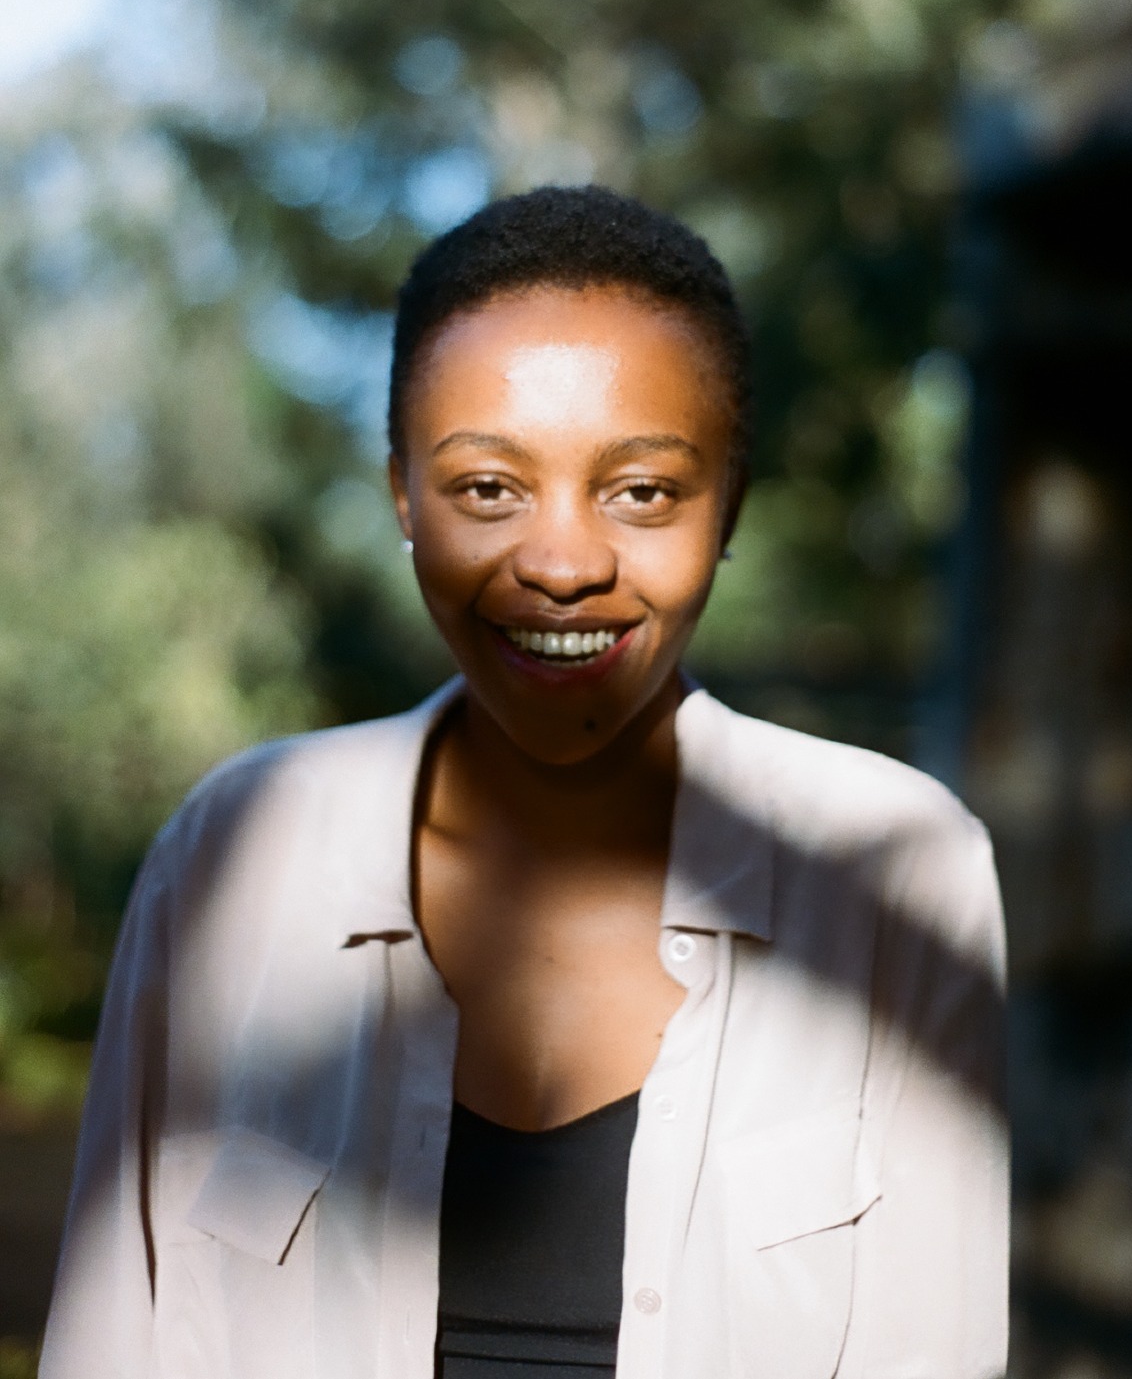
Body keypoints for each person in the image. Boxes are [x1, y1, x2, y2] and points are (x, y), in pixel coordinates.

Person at [40, 186, 1007, 1379]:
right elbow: (112, 1341)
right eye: (487, 488)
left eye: (641, 491)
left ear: (729, 503)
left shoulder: (893, 867)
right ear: (402, 493)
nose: (561, 564)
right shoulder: (234, 851)